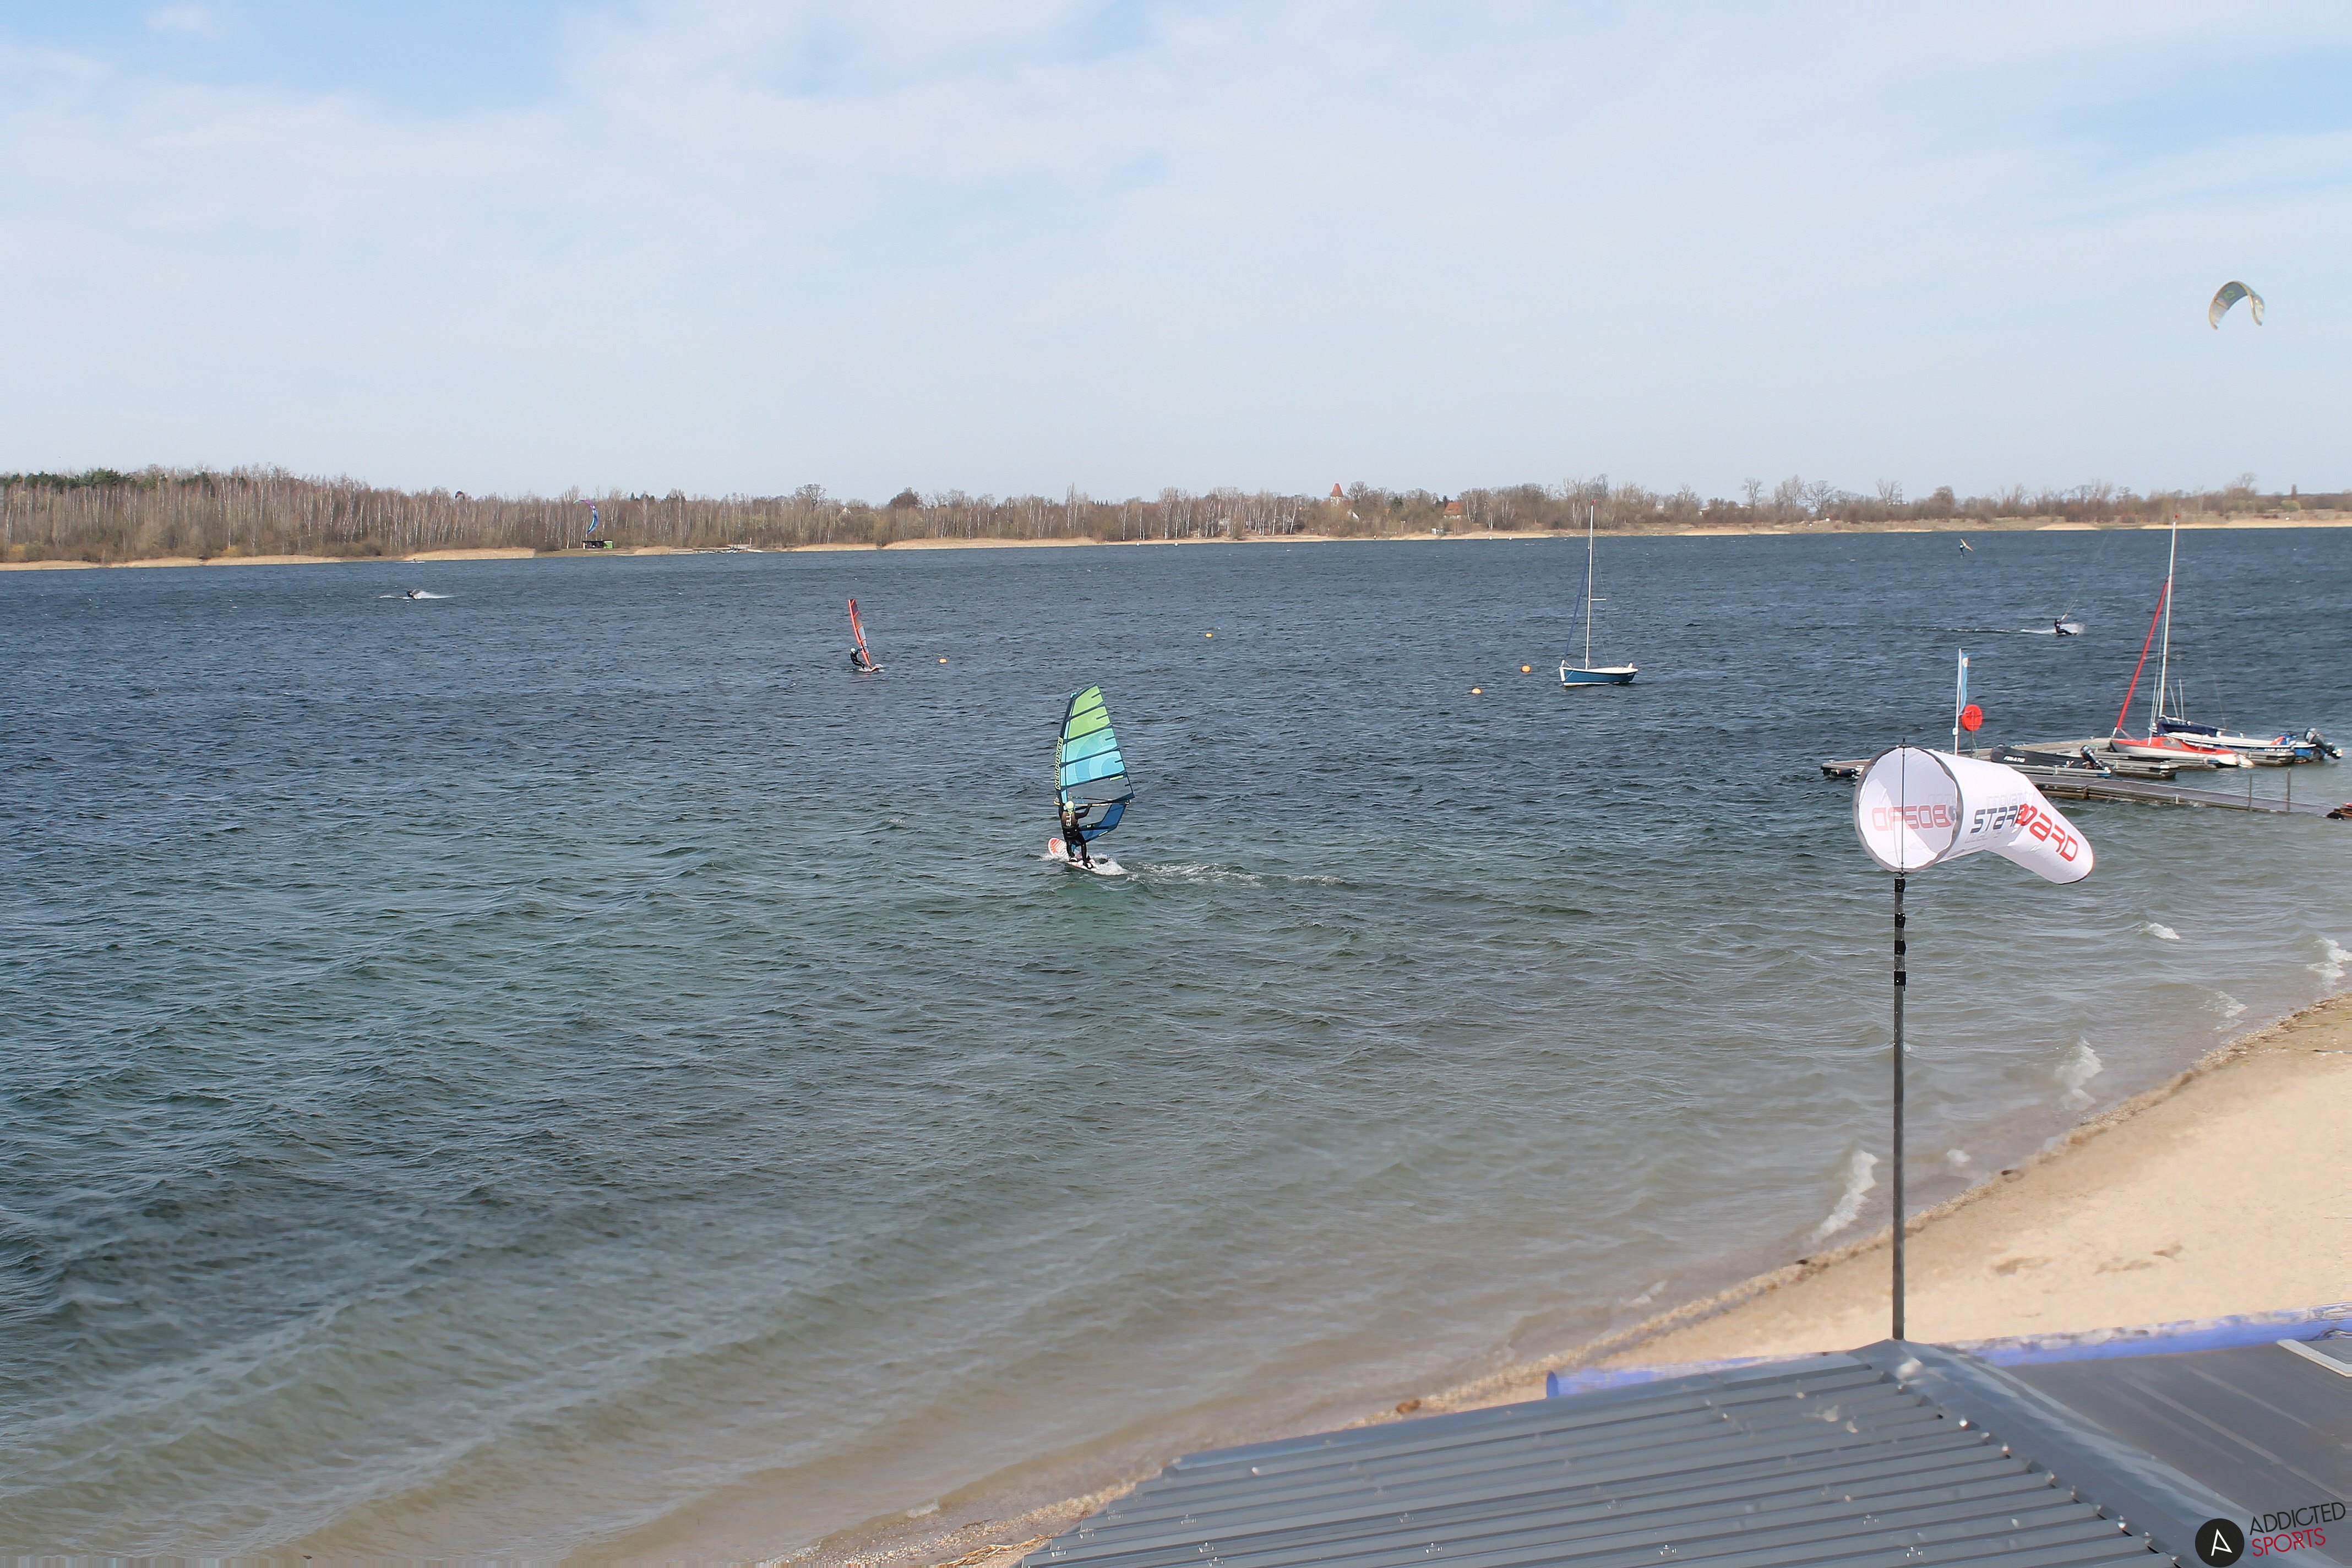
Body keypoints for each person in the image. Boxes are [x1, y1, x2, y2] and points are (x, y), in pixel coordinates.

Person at [1059, 800, 1093, 866]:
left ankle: (1071, 856)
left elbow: (1060, 808)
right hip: (1075, 834)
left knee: (1069, 843)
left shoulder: (1062, 814)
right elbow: (1085, 814)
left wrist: (1061, 805)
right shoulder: (1076, 815)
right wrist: (1089, 807)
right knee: (1083, 843)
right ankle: (1085, 860)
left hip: (1066, 835)